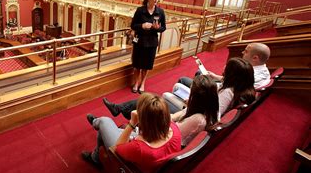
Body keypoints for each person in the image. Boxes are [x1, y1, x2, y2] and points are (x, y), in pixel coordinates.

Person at [103, 57, 255, 119]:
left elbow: (212, 116)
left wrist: (192, 102)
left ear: (233, 75)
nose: (223, 68)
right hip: (193, 108)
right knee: (161, 97)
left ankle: (122, 112)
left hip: (189, 112)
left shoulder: (228, 93)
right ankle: (121, 110)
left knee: (149, 100)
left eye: (226, 68)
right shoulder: (236, 87)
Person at [81, 93, 181, 173]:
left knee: (104, 121)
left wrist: (132, 123)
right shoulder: (175, 129)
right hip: (149, 156)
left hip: (130, 167)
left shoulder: (140, 148)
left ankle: (96, 122)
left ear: (144, 122)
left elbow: (116, 150)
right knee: (104, 132)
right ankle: (95, 157)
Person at [179, 43, 271, 89]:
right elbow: (233, 82)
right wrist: (216, 77)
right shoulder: (264, 70)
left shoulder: (247, 75)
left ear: (255, 58)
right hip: (223, 87)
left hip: (215, 92)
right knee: (200, 73)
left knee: (182, 79)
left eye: (246, 51)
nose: (243, 53)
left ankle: (194, 91)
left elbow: (226, 90)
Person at [130, 0, 166, 94]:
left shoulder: (160, 12)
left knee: (146, 65)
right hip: (139, 41)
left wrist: (157, 28)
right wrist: (142, 25)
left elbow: (163, 28)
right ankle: (136, 83)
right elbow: (133, 25)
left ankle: (143, 83)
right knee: (137, 65)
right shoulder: (140, 10)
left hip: (152, 42)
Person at [171, 75, 219, 146]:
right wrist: (170, 117)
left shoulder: (198, 119)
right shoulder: (209, 107)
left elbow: (173, 132)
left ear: (196, 97)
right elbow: (180, 114)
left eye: (191, 91)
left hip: (174, 141)